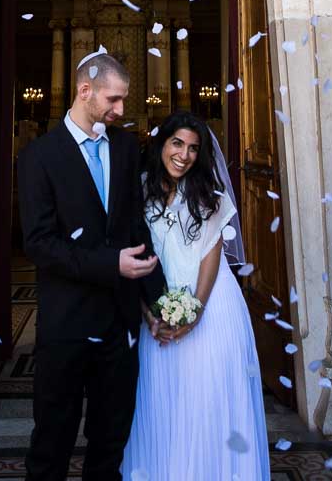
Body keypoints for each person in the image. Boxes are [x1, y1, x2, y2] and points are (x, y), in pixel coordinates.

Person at [17, 52, 166, 481]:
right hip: (65, 325)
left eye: (123, 100)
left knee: (109, 445)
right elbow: (40, 245)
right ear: (85, 91)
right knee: (51, 445)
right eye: (114, 100)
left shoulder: (123, 147)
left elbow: (137, 226)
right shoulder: (38, 157)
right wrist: (109, 264)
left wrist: (157, 300)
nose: (121, 110)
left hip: (119, 327)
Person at [121, 110, 271, 481]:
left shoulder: (210, 196)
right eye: (177, 143)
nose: (183, 155)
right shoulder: (137, 190)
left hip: (212, 307)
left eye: (192, 148)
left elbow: (210, 255)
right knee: (161, 403)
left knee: (209, 401)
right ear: (162, 144)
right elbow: (134, 250)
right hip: (154, 310)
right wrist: (149, 312)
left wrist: (196, 312)